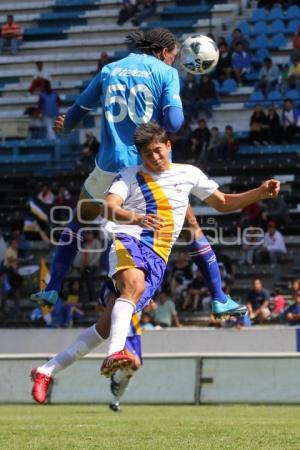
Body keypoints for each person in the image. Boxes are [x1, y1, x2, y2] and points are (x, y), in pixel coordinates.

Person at [30, 122, 281, 403]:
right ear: (140, 155)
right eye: (148, 154)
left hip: (158, 257)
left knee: (107, 325)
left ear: (169, 146)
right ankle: (116, 353)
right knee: (132, 286)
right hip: (129, 239)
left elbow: (223, 202)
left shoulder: (189, 173)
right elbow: (111, 208)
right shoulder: (128, 175)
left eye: (159, 151)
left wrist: (259, 192)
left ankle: (46, 370)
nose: (155, 158)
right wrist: (136, 218)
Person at [31, 28, 242, 323]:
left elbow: (76, 112)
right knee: (190, 225)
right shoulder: (166, 73)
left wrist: (64, 128)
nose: (174, 61)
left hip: (108, 165)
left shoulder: (110, 69)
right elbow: (174, 122)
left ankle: (52, 288)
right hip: (146, 169)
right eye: (173, 56)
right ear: (163, 52)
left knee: (80, 217)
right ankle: (219, 297)